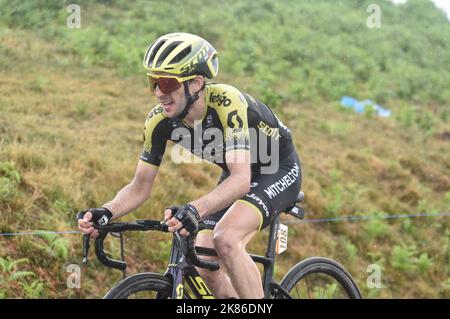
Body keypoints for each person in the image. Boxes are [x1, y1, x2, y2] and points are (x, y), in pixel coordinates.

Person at [77, 32, 302, 299]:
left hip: (276, 168)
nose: (159, 92)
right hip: (236, 171)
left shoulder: (226, 103)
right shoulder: (159, 122)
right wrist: (107, 211)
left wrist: (195, 209)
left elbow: (242, 180)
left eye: (167, 82)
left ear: (196, 82)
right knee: (203, 255)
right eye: (153, 82)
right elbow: (140, 186)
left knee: (226, 240)